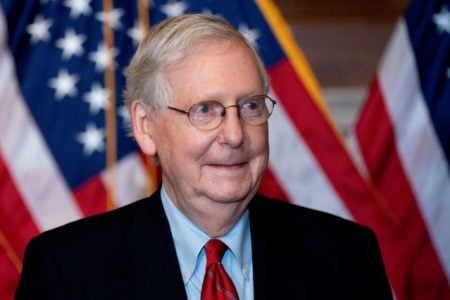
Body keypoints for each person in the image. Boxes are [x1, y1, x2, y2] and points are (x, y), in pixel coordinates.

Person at [15, 14, 393, 299]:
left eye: (249, 106)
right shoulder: (67, 272)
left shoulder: (346, 257)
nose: (234, 134)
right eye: (205, 110)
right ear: (146, 127)